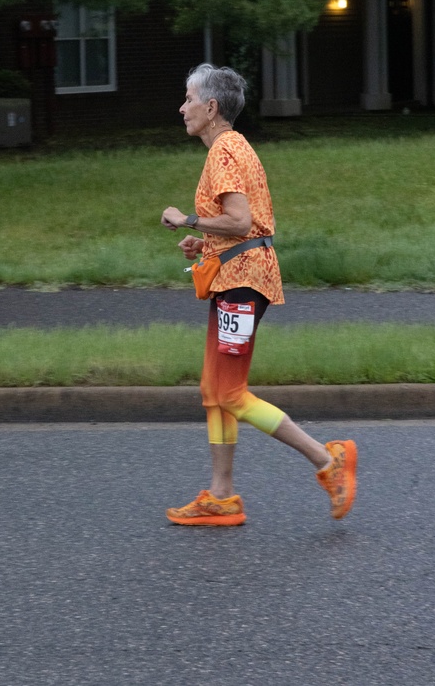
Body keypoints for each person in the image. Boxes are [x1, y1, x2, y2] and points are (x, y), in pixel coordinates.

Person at [160, 63, 357, 527]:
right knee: (214, 390)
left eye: (189, 99)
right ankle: (222, 495)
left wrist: (187, 220)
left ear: (211, 108)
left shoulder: (225, 151)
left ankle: (329, 461)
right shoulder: (231, 147)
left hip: (243, 284)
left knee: (230, 392)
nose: (182, 107)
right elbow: (236, 226)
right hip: (237, 277)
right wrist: (204, 243)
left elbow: (241, 222)